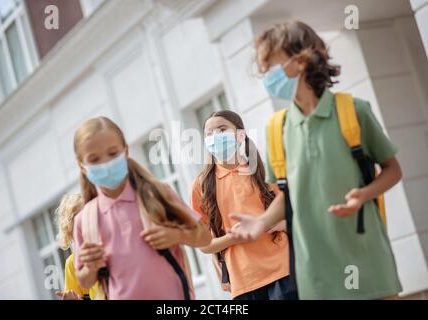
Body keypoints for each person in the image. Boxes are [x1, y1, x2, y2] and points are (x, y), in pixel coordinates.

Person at [230, 21, 403, 300]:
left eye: (270, 67)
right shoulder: (278, 128)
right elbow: (288, 195)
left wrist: (365, 194)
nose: (265, 77)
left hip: (368, 266)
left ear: (299, 62)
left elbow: (393, 170)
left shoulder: (353, 111)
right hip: (316, 279)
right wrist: (261, 223)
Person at [72, 116, 211, 299]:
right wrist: (90, 268)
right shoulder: (85, 220)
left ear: (126, 151)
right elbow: (84, 282)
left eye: (113, 154)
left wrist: (176, 235)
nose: (105, 163)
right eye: (94, 159)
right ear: (82, 166)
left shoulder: (157, 194)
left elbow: (204, 237)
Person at [191, 110, 296, 300]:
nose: (215, 137)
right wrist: (233, 238)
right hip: (244, 282)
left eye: (222, 129)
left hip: (284, 269)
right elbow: (204, 245)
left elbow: (293, 214)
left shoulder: (262, 171)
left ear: (240, 134)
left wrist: (272, 224)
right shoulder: (202, 186)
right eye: (209, 134)